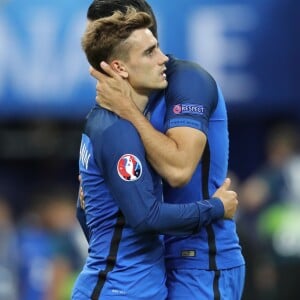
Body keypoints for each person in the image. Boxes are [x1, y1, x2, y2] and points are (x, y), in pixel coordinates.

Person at [73, 7, 238, 300]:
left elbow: (178, 171)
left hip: (201, 260)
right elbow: (127, 216)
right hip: (140, 276)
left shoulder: (185, 82)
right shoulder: (115, 119)